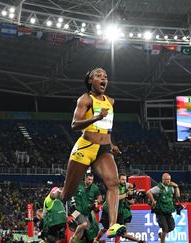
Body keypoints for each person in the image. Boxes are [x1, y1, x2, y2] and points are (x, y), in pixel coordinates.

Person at [57, 67, 126, 238]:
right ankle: (53, 195)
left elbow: (106, 128)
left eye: (105, 77)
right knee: (66, 195)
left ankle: (112, 226)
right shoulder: (85, 99)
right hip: (85, 147)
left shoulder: (110, 101)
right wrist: (96, 117)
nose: (103, 79)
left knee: (114, 183)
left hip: (103, 149)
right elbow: (74, 124)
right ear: (90, 80)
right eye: (98, 76)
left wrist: (112, 144)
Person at [95, 174, 145, 243]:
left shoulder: (126, 185)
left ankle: (139, 241)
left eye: (125, 179)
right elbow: (115, 198)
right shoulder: (113, 187)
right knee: (106, 229)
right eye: (122, 179)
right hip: (109, 210)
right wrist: (126, 194)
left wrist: (134, 195)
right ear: (118, 180)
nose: (124, 181)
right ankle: (96, 240)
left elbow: (130, 199)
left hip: (119, 211)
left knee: (120, 230)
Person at [147, 173, 180, 243]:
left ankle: (161, 235)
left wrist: (176, 187)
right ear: (163, 180)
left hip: (168, 211)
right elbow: (148, 192)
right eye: (167, 179)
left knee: (171, 227)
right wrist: (153, 201)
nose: (168, 181)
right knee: (165, 228)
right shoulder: (159, 188)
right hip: (160, 212)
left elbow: (177, 196)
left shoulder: (171, 188)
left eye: (169, 179)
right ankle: (162, 241)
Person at [69, 173, 101, 243]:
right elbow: (69, 189)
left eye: (91, 180)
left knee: (82, 230)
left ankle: (74, 242)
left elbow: (99, 197)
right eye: (89, 179)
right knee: (83, 224)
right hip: (74, 210)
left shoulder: (95, 188)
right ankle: (73, 237)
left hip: (86, 212)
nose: (90, 181)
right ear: (85, 178)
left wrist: (97, 202)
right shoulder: (78, 185)